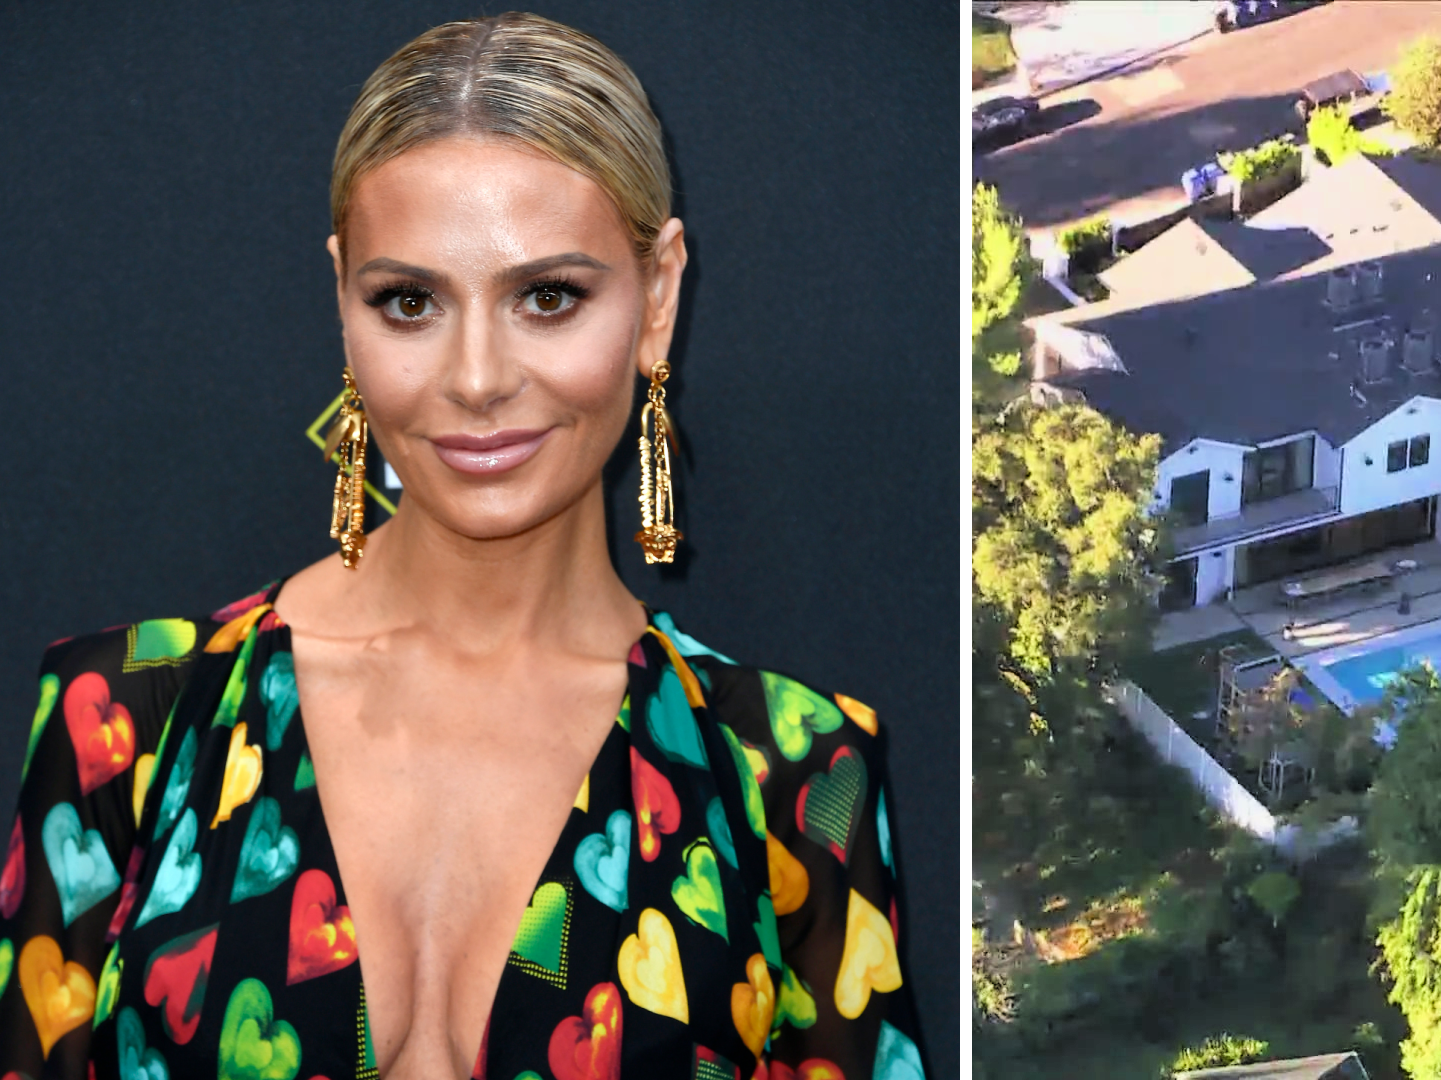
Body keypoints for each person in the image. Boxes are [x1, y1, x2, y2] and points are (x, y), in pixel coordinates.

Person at [0, 13, 919, 1080]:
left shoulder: (796, 776)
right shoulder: (124, 723)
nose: (478, 378)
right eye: (409, 302)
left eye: (547, 297)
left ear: (658, 295)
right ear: (343, 300)